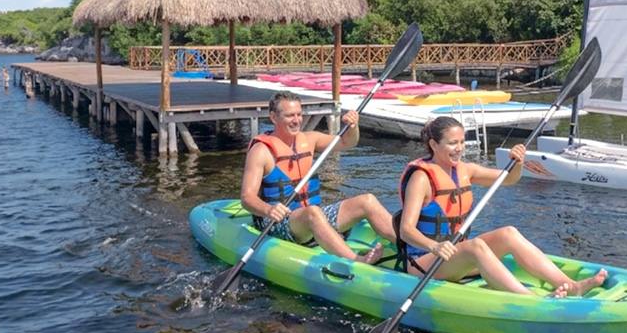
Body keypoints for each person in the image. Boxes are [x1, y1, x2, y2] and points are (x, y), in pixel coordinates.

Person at [396, 116, 607, 297]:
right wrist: (434, 246)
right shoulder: (421, 178)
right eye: (452, 143)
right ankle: (529, 300)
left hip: (454, 257)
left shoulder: (466, 170)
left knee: (508, 233)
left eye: (462, 142)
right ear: (434, 145)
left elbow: (508, 179)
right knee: (475, 246)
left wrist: (518, 162)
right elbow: (406, 230)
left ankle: (570, 286)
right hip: (423, 262)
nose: (459, 148)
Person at [241, 90, 397, 263]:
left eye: (299, 114)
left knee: (367, 200)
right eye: (290, 115)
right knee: (313, 213)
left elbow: (347, 142)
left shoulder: (310, 139)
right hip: (279, 223)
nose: (296, 120)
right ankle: (357, 260)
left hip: (311, 216)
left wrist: (353, 127)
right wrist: (268, 210)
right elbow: (247, 197)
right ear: (273, 117)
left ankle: (408, 246)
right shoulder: (261, 152)